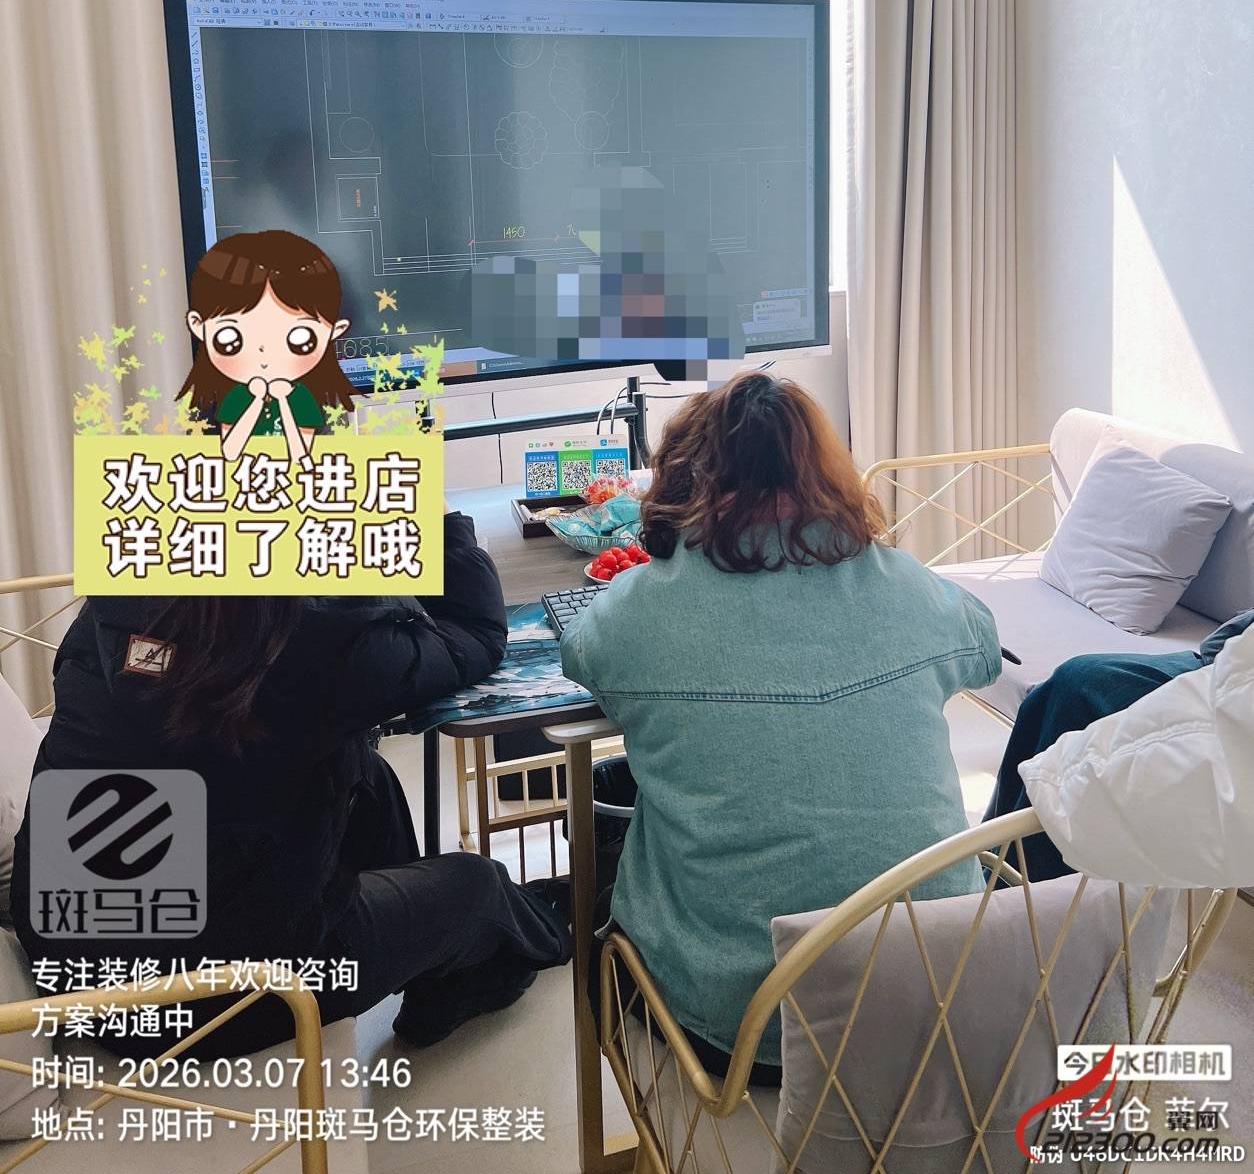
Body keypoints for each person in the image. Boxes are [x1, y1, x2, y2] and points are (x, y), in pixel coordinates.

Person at [558, 371, 1002, 1080]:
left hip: (739, 1033)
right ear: (826, 471)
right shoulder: (904, 584)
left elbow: (579, 655)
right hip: (938, 996)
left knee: (606, 891)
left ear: (685, 478)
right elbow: (984, 646)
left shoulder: (644, 606)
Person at [11, 508, 569, 1056]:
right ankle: (549, 927)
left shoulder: (119, 602)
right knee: (479, 886)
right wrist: (433, 516)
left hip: (71, 961)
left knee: (364, 772)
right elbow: (476, 633)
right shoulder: (313, 641)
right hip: (211, 997)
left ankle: (426, 961)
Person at [984, 613, 1254, 881]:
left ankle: (1005, 881)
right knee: (1070, 689)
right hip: (1228, 655)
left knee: (1078, 689)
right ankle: (991, 862)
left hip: (1225, 675)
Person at [180, 229, 359, 465]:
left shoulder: (315, 399)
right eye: (231, 338)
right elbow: (229, 453)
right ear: (198, 326)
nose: (265, 351)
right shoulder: (225, 399)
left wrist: (284, 401)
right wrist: (255, 401)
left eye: (299, 339)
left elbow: (304, 456)